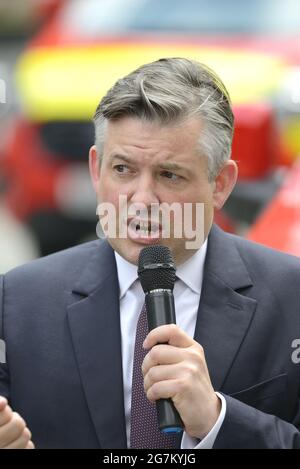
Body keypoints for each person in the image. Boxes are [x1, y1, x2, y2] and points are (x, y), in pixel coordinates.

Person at [0, 58, 299, 449]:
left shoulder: (292, 298)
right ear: (96, 169)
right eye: (123, 169)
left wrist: (218, 420)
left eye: (169, 175)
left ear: (221, 184)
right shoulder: (19, 302)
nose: (141, 201)